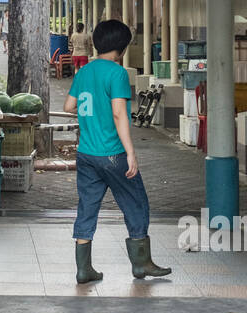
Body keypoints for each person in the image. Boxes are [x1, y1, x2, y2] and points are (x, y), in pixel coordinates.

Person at [64, 19, 171, 284]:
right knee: (135, 202)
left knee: (87, 207)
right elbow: (119, 113)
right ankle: (141, 263)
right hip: (112, 153)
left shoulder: (84, 72)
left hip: (86, 153)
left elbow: (69, 105)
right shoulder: (117, 73)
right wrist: (131, 153)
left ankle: (83, 269)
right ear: (121, 49)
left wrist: (91, 114)